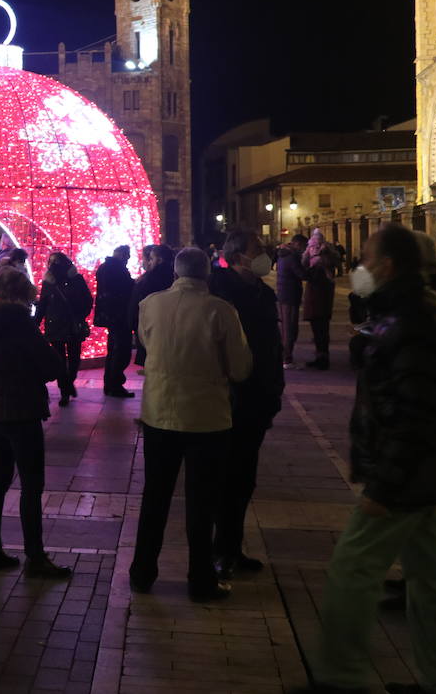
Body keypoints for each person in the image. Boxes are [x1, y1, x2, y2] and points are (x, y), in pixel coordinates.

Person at [304, 224, 436, 694]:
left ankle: (340, 677)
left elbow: (417, 409)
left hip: (407, 474)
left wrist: (385, 481)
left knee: (353, 568)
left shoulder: (412, 316)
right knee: (429, 577)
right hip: (427, 468)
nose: (361, 267)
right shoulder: (413, 307)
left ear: (389, 265)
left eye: (367, 258)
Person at [130, 247, 252, 602]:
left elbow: (146, 344)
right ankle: (200, 580)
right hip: (206, 419)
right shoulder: (220, 310)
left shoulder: (150, 304)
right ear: (207, 273)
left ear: (175, 272)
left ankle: (142, 572)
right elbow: (241, 367)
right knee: (201, 503)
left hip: (159, 414)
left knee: (155, 496)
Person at [0, 266, 70, 579]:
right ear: (21, 295)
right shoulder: (19, 321)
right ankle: (35, 556)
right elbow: (51, 366)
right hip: (22, 410)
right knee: (32, 484)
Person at [207, 229, 284, 580]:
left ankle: (231, 547)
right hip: (229, 398)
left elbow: (271, 346)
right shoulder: (221, 292)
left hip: (258, 397)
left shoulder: (263, 293)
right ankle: (219, 551)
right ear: (237, 256)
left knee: (244, 479)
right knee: (224, 478)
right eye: (257, 249)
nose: (263, 254)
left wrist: (274, 391)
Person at [34, 252, 93, 406]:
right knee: (61, 360)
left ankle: (68, 383)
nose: (53, 265)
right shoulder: (49, 282)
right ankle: (65, 390)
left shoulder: (76, 279)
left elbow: (87, 299)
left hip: (71, 324)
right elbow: (43, 304)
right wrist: (36, 322)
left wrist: (80, 316)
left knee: (73, 359)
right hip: (56, 325)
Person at [94, 245, 136, 398]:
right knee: (121, 350)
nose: (129, 258)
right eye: (127, 254)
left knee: (113, 349)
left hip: (110, 315)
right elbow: (122, 289)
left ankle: (110, 384)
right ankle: (115, 384)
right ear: (121, 255)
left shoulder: (107, 267)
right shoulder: (116, 269)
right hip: (118, 315)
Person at [129, 245, 175, 371]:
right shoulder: (173, 276)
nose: (149, 261)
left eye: (152, 258)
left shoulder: (150, 279)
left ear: (159, 260)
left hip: (150, 329)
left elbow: (137, 306)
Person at [301, 229, 340, 370]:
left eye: (316, 246)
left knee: (321, 329)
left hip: (321, 299)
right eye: (312, 246)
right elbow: (304, 266)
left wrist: (319, 255)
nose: (313, 249)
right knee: (318, 329)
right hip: (316, 299)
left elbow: (332, 265)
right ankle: (320, 356)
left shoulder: (325, 263)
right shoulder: (315, 263)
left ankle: (323, 358)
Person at [276, 234, 309, 368]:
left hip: (286, 294)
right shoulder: (291, 257)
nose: (304, 248)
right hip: (289, 295)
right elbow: (302, 274)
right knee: (289, 328)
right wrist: (313, 270)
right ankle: (287, 359)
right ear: (296, 244)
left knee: (288, 327)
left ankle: (286, 357)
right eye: (303, 245)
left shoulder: (283, 255)